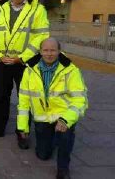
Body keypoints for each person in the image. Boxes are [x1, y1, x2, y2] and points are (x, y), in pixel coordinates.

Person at [0, 0, 50, 140]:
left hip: (25, 63)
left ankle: (22, 132)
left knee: (25, 98)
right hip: (2, 61)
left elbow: (41, 37)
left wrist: (22, 57)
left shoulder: (37, 10)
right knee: (0, 96)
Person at [17, 38, 88, 179]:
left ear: (59, 51)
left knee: (65, 137)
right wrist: (23, 127)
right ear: (40, 52)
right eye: (46, 50)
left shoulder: (71, 70)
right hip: (42, 118)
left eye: (53, 50)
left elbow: (80, 99)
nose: (49, 54)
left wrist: (66, 119)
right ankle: (53, 139)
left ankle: (63, 168)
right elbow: (24, 101)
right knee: (43, 155)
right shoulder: (29, 70)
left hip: (63, 116)